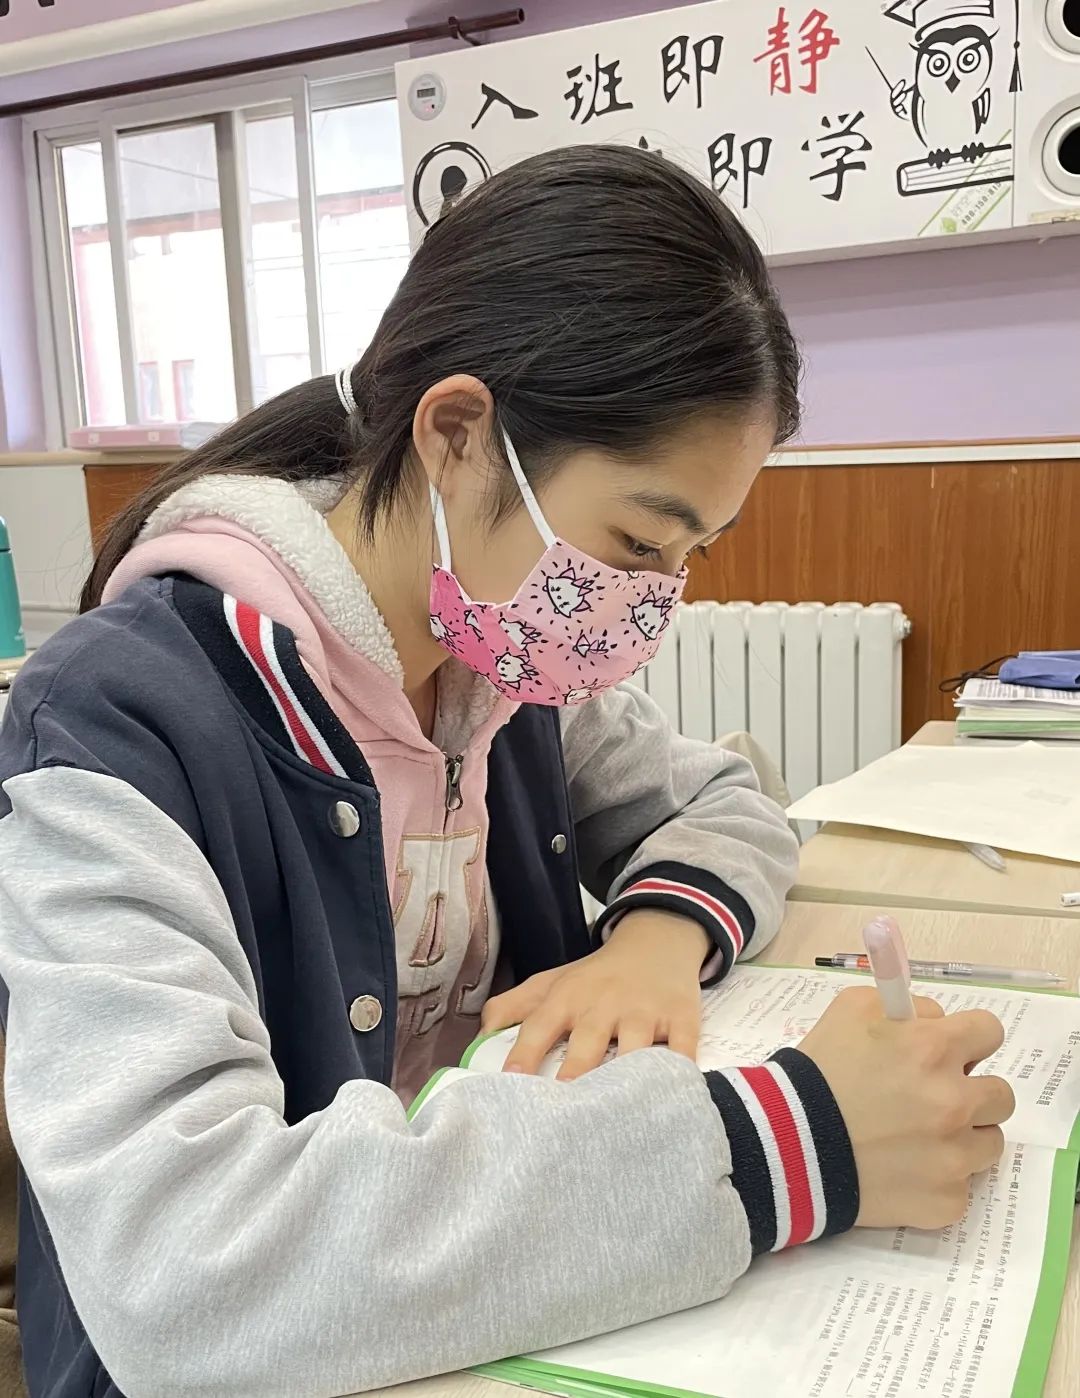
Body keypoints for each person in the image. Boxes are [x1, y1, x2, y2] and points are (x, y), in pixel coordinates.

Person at [0, 145, 1012, 1398]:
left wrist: (652, 940)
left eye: (689, 556)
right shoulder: (119, 725)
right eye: (637, 541)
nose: (647, 604)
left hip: (493, 1319)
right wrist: (786, 1144)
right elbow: (181, 1274)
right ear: (460, 434)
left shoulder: (503, 663)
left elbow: (725, 800)